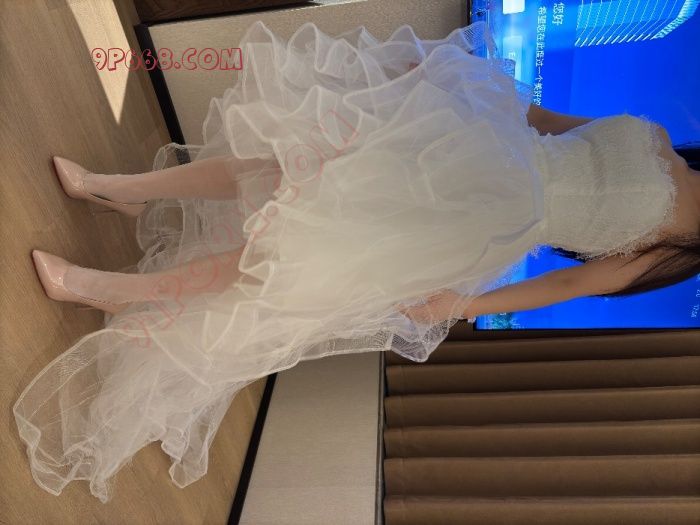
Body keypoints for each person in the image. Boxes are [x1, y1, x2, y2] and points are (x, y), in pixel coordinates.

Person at [15, 19, 700, 503]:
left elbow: (572, 282)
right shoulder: (658, 136)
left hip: (469, 225)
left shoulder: (677, 249)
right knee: (274, 166)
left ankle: (107, 289)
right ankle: (119, 188)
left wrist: (462, 304)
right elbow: (544, 122)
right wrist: (449, 82)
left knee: (277, 259)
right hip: (459, 144)